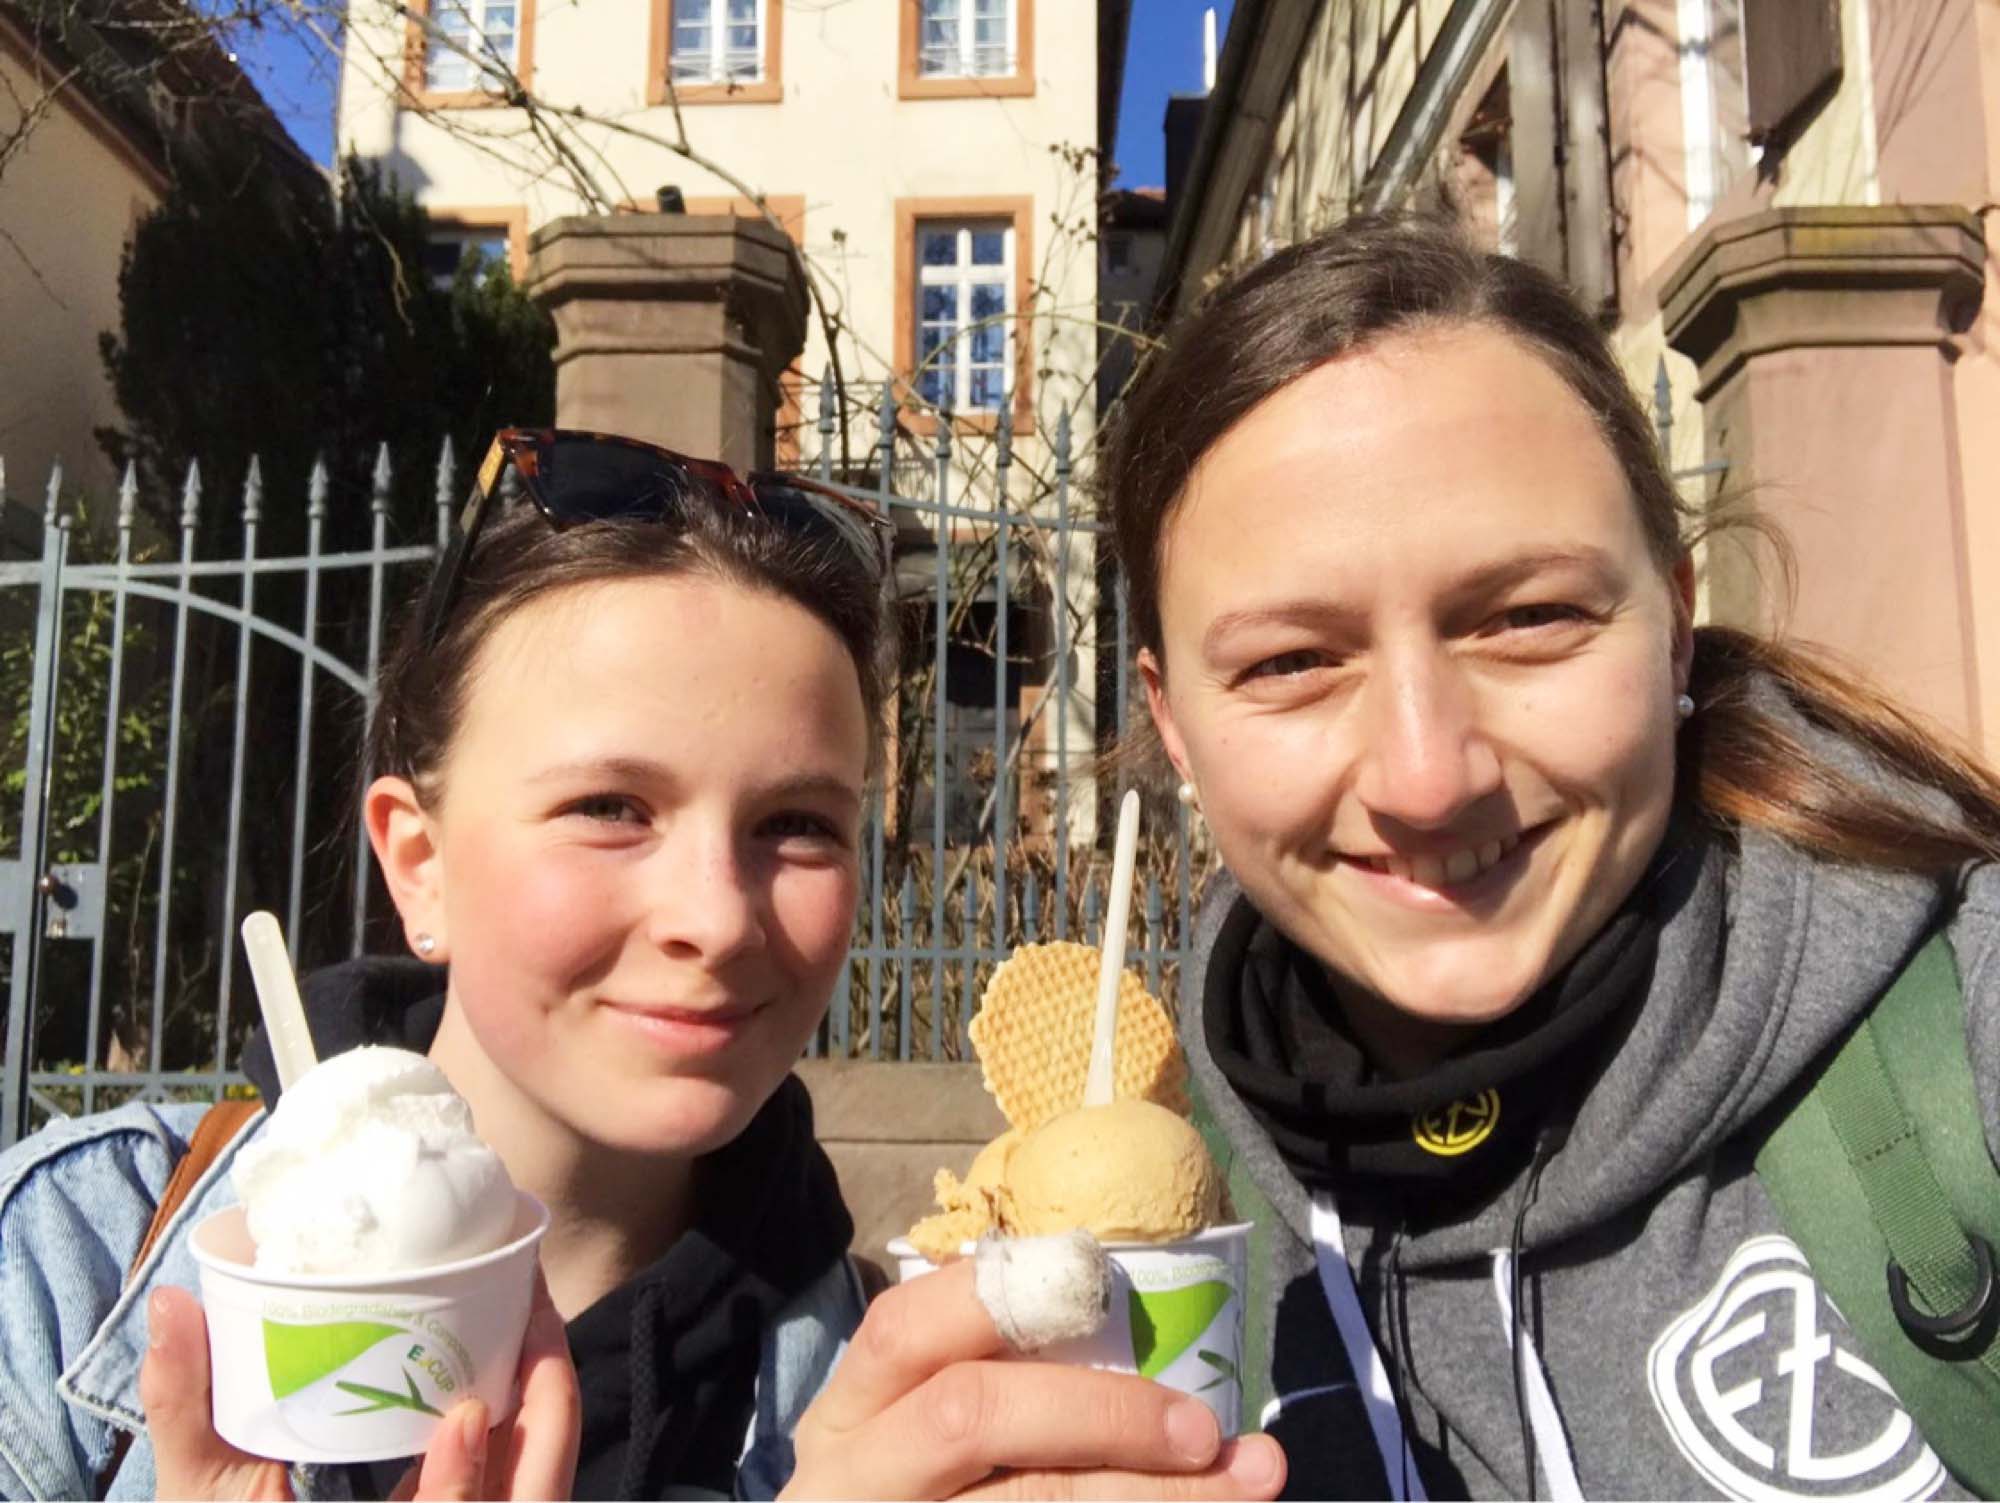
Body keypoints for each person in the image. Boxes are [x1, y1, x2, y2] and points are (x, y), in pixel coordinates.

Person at [0, 428, 1289, 1503]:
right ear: (419, 862)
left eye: (797, 824)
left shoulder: (887, 1414)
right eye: (611, 807)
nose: (716, 919)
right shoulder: (70, 1265)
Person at [1106, 213, 2000, 1500]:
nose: (1426, 778)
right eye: (1291, 661)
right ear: (1173, 724)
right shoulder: (1147, 1219)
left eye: (1526, 618)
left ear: (1674, 628)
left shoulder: (1956, 1036)